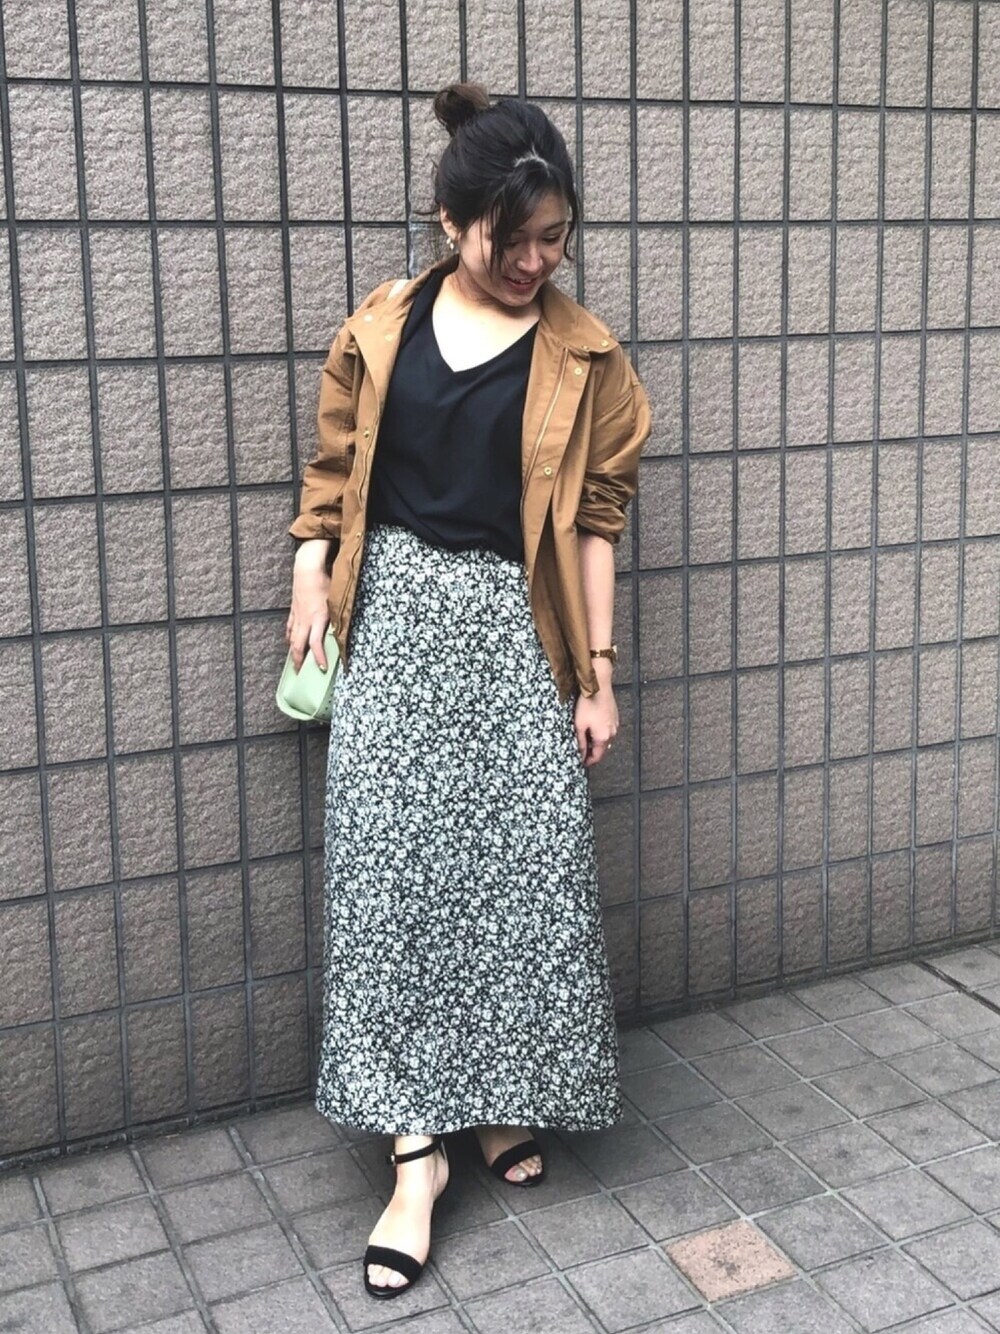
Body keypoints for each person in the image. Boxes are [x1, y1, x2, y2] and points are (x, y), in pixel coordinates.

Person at [286, 80, 652, 1301]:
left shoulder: (585, 355)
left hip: (514, 632)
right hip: (394, 620)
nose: (537, 262)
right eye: (514, 241)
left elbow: (594, 519)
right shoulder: (381, 325)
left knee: (520, 873)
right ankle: (415, 1156)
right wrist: (309, 566)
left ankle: (500, 1095)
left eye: (556, 238)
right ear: (452, 224)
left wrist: (597, 676)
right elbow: (335, 465)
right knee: (391, 875)